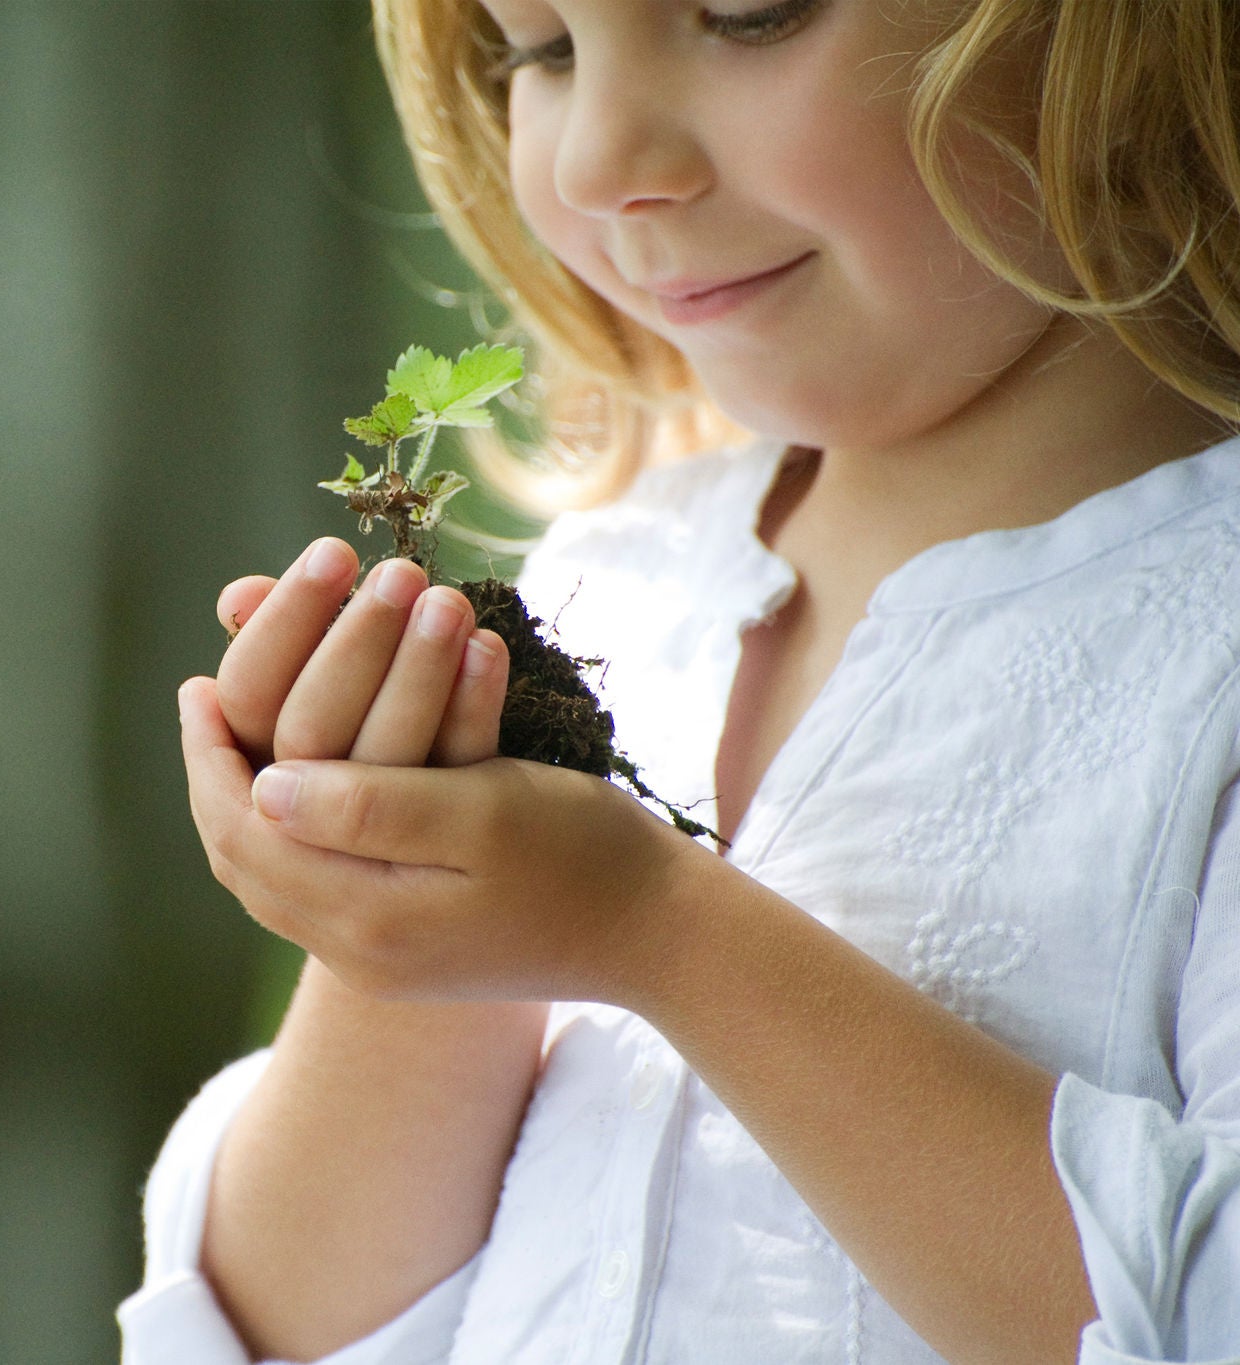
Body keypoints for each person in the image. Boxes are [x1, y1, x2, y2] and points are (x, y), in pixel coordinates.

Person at [120, 0, 1240, 1360]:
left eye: (747, 14)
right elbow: (283, 1329)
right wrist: (406, 925)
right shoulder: (615, 580)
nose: (598, 159)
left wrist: (656, 930)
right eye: (539, 48)